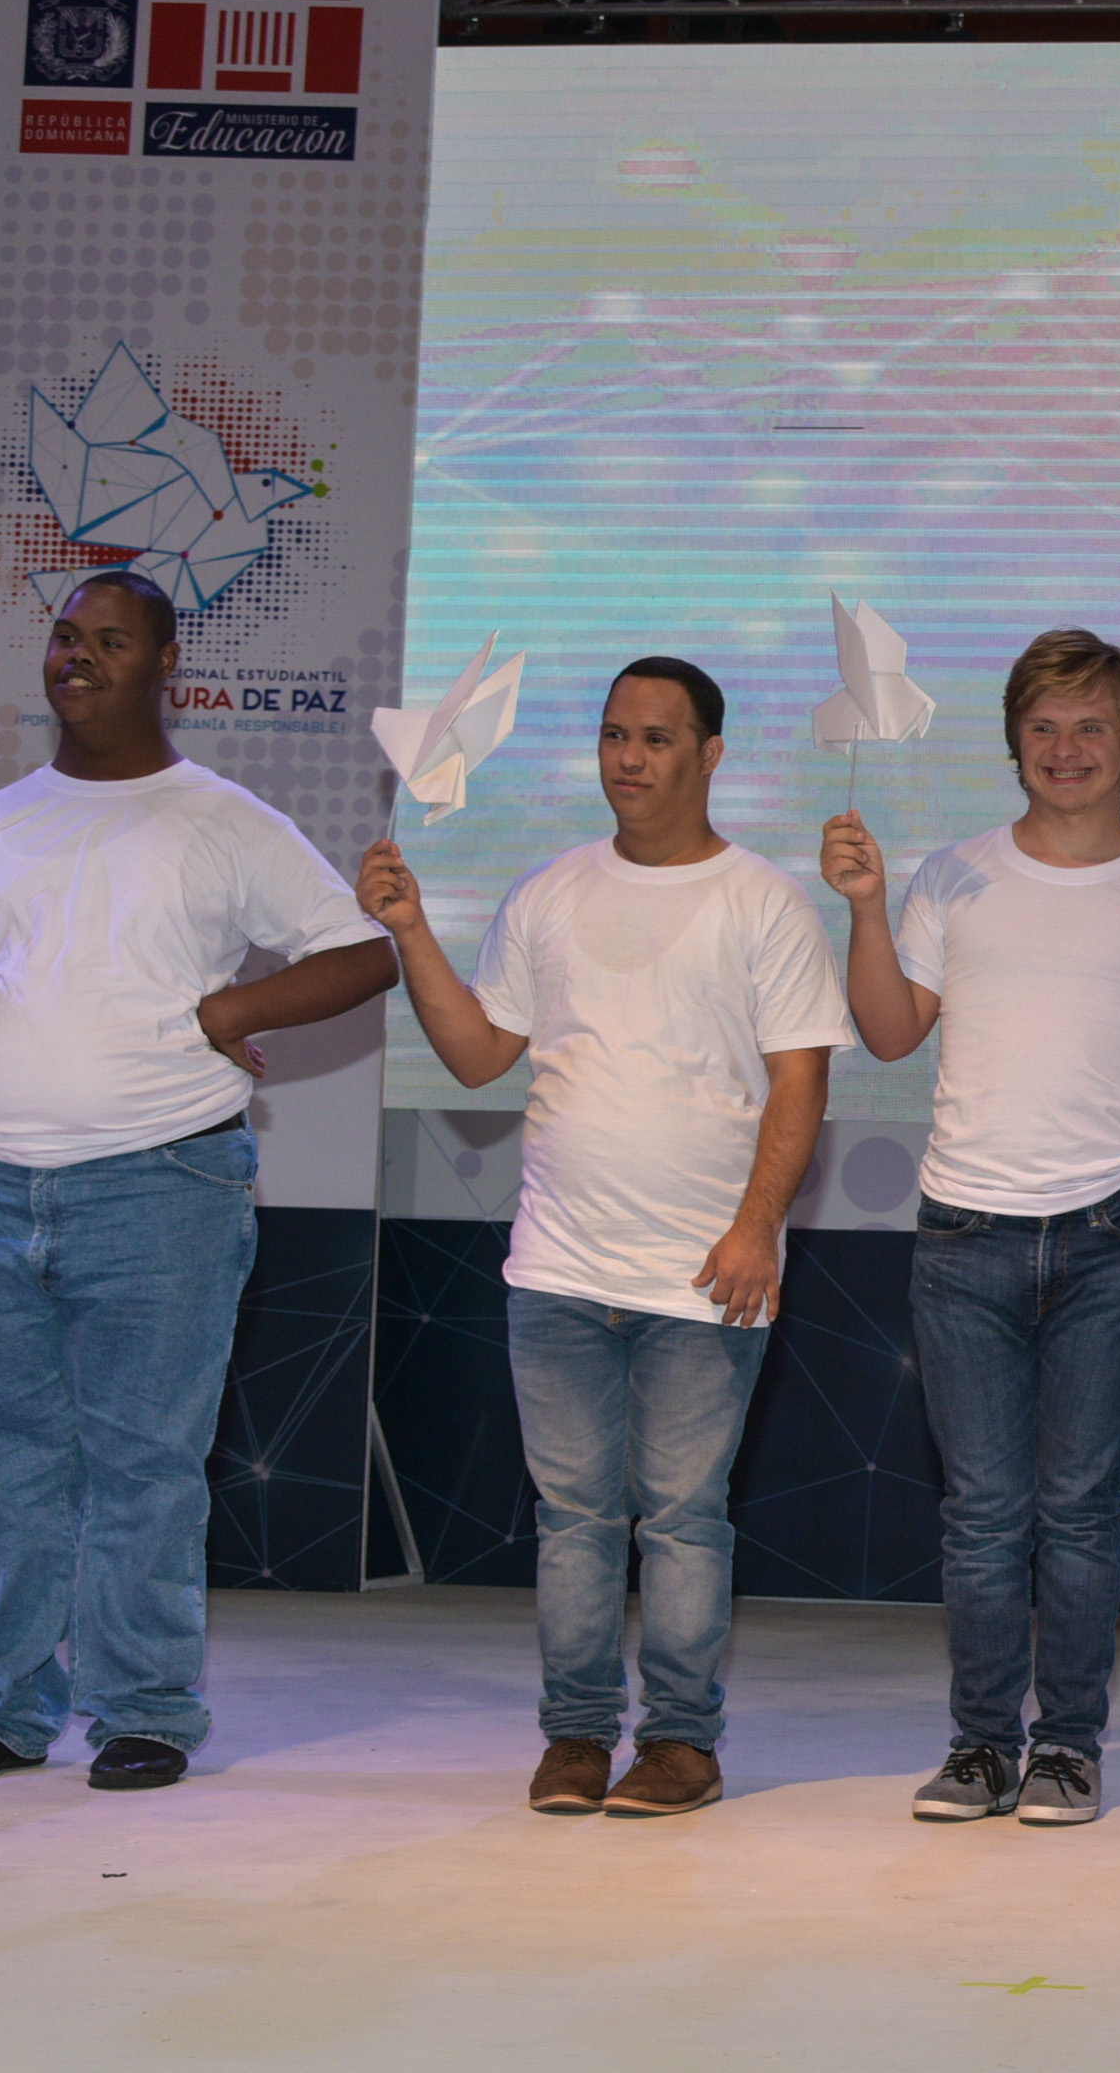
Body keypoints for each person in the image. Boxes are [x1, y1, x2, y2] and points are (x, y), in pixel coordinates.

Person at [0, 572, 394, 1789]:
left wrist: (231, 1005)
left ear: (164, 666)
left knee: (142, 1462)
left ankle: (140, 1708)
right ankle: (4, 1706)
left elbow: (362, 952)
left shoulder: (221, 818)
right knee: (2, 1463)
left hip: (160, 1185)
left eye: (109, 641)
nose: (77, 657)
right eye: (66, 637)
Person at [358, 657, 852, 1819]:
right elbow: (480, 1055)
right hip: (560, 1267)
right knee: (575, 1521)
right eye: (615, 736)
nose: (629, 759)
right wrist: (410, 929)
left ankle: (681, 1742)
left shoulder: (762, 901)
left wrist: (754, 1228)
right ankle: (576, 1736)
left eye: (657, 739)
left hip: (702, 1274)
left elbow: (800, 1083)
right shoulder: (547, 892)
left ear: (710, 754)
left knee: (682, 1519)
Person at [824, 629, 1120, 1830]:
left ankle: (1067, 1748)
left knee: (1081, 1508)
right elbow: (889, 1032)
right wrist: (868, 905)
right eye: (1043, 725)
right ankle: (983, 1743)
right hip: (965, 1234)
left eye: (1090, 725)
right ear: (1013, 741)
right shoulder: (950, 874)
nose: (1065, 748)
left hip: (1106, 1237)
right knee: (984, 1511)